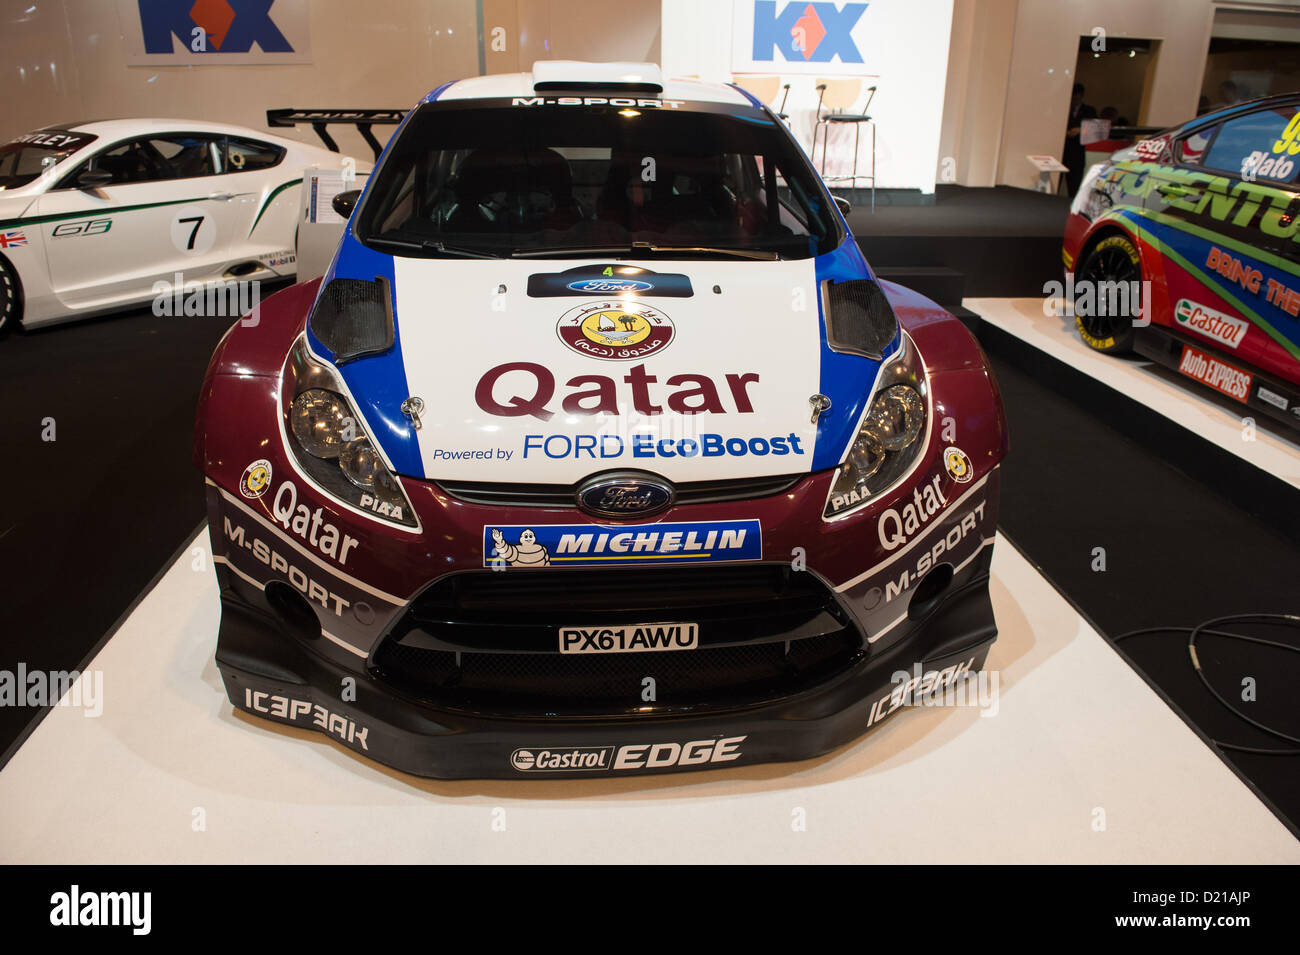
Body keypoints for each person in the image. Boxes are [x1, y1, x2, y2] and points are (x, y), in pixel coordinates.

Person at [1063, 83, 1096, 195]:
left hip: (1077, 153)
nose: (1074, 100)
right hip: (1062, 150)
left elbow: (1095, 129)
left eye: (1076, 97)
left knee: (1074, 186)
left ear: (1081, 96)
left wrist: (1081, 130)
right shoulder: (1063, 110)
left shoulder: (1089, 111)